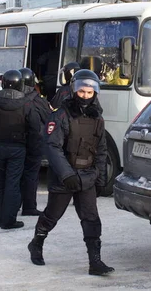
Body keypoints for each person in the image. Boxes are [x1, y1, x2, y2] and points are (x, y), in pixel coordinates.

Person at [28, 69, 114, 276]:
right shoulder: (61, 115)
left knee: (91, 218)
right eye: (82, 91)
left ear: (95, 93)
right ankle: (36, 243)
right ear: (75, 90)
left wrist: (101, 178)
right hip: (64, 177)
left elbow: (101, 150)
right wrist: (67, 175)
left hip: (87, 176)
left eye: (89, 92)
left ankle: (95, 262)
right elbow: (53, 146)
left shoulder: (97, 118)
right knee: (52, 215)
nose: (85, 96)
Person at [0, 69, 42, 229]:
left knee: (0, 181)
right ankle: (8, 219)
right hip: (18, 147)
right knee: (13, 182)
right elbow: (34, 128)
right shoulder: (26, 104)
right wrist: (31, 148)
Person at [20, 67, 52, 216]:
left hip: (16, 142)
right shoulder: (39, 101)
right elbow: (49, 120)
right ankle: (29, 206)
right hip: (35, 143)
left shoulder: (12, 98)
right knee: (31, 175)